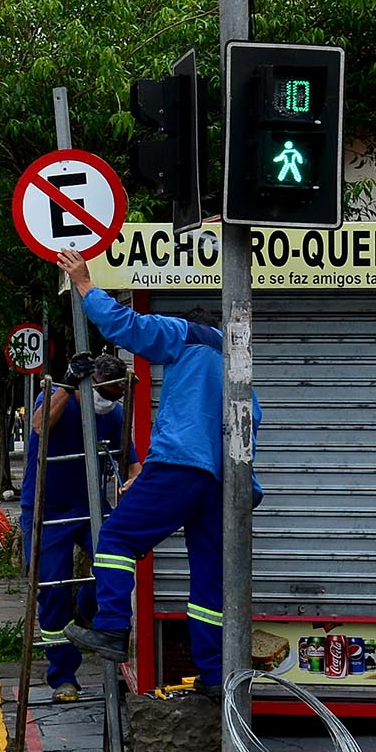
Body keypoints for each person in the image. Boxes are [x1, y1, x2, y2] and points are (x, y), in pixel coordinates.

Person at [57, 250, 257, 691]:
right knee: (209, 583)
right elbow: (249, 426)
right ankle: (214, 675)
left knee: (116, 538)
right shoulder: (237, 366)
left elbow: (125, 327)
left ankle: (111, 624)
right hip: (220, 484)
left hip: (178, 468)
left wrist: (86, 285)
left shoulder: (185, 337)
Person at [22, 351, 130, 702]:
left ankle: (87, 608)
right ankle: (63, 675)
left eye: (116, 397)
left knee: (114, 567)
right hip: (46, 509)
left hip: (91, 506)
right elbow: (39, 426)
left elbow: (131, 461)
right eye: (104, 394)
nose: (109, 402)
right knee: (52, 589)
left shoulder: (112, 417)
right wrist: (67, 386)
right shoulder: (57, 399)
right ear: (86, 384)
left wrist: (134, 482)